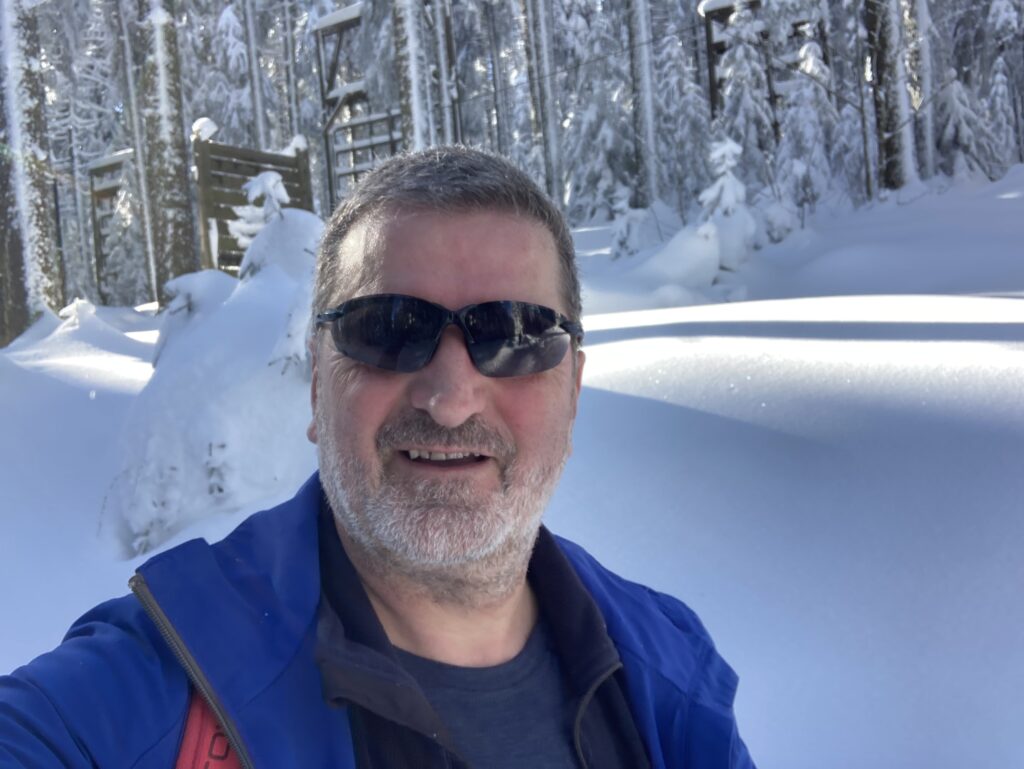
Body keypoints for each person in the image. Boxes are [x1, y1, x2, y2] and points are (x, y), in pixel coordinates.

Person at [0, 146, 755, 768]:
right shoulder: (166, 677)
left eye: (515, 332)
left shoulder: (668, 673)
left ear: (574, 386)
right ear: (317, 382)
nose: (450, 396)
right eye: (389, 329)